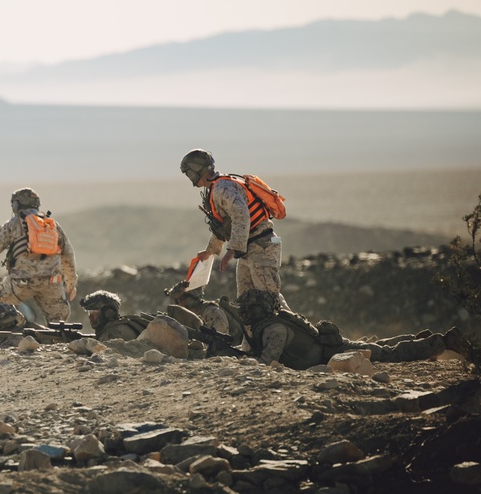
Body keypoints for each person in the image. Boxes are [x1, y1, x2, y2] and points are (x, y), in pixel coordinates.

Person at [236, 289, 475, 370]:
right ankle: (417, 341)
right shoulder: (273, 323)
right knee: (378, 347)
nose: (245, 314)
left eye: (248, 310)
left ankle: (443, 342)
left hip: (333, 352)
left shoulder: (274, 329)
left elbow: (267, 362)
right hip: (329, 350)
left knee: (384, 355)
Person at [180, 149, 288, 309]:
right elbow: (224, 226)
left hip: (263, 245)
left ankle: (303, 332)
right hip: (249, 249)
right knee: (247, 304)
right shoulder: (217, 188)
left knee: (269, 300)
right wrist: (210, 251)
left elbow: (241, 215)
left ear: (198, 170)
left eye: (189, 174)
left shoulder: (222, 189)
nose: (190, 179)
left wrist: (232, 250)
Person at [0, 188, 77, 323]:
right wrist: (71, 283)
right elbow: (68, 255)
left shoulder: (11, 225)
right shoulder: (52, 226)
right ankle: (60, 340)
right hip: (52, 282)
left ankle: (12, 329)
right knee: (59, 320)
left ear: (16, 205)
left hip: (22, 282)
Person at [165, 280, 245, 346]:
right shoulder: (190, 316)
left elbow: (220, 341)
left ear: (190, 299)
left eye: (178, 300)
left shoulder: (212, 312)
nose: (176, 304)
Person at [79, 291, 153, 341]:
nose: (90, 317)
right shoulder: (112, 329)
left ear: (108, 313)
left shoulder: (115, 332)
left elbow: (102, 351)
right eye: (90, 312)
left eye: (95, 312)